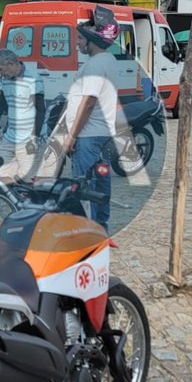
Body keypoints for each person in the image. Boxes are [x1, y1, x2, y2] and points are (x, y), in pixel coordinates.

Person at [62, 19, 122, 232]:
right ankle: (101, 230)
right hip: (104, 135)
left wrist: (71, 136)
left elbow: (88, 102)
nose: (77, 43)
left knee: (84, 190)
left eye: (80, 38)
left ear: (92, 41)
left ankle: (88, 235)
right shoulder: (110, 60)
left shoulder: (95, 64)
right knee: (101, 185)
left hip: (88, 138)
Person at [0, 49, 45, 181]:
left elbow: (40, 110)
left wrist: (34, 137)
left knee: (27, 180)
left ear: (11, 64)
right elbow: (0, 105)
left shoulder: (33, 78)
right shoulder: (5, 79)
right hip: (10, 137)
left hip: (28, 139)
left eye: (1, 69)